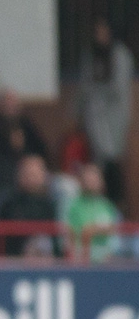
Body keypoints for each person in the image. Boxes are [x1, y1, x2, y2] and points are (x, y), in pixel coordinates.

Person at [78, 17, 134, 208]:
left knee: (113, 162)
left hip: (114, 117)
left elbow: (118, 89)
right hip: (94, 118)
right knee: (97, 162)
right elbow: (83, 86)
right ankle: (97, 203)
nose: (99, 36)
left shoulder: (120, 55)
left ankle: (116, 204)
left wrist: (97, 91)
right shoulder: (91, 55)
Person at [0, 89, 48, 202]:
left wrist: (21, 150)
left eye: (12, 103)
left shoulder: (27, 128)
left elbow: (42, 153)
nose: (9, 107)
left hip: (30, 182)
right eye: (5, 103)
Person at [0, 155, 61, 258]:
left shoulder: (50, 204)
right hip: (14, 260)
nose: (31, 178)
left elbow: (55, 241)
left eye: (35, 173)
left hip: (46, 263)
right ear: (19, 174)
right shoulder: (8, 202)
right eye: (28, 173)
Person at [65, 163, 120, 263]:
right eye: (88, 179)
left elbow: (116, 234)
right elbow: (70, 235)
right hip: (81, 258)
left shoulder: (108, 206)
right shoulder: (72, 206)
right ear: (81, 181)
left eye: (95, 178)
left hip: (108, 258)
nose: (91, 182)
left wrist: (95, 229)